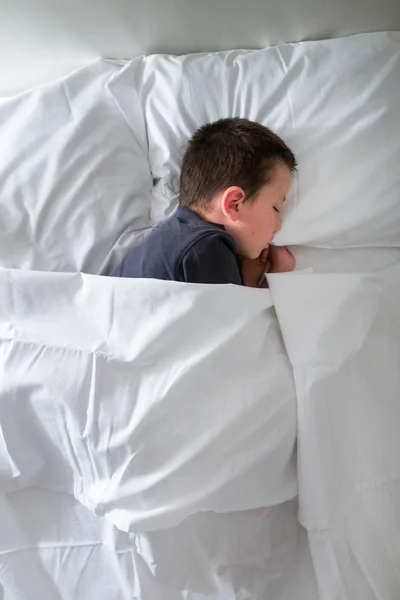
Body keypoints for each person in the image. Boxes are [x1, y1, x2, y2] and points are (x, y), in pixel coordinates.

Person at [111, 117, 296, 287]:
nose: (278, 225)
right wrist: (279, 271)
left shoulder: (170, 237)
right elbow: (239, 323)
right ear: (234, 204)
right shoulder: (206, 248)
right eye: (275, 207)